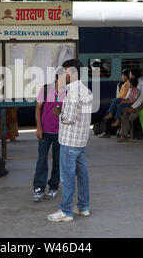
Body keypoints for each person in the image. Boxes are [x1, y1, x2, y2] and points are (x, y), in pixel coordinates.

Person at [47, 59, 93, 222]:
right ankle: (83, 206)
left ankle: (66, 212)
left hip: (69, 141)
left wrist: (59, 112)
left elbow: (69, 118)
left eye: (65, 71)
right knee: (82, 175)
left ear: (73, 73)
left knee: (67, 177)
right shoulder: (86, 90)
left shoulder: (73, 91)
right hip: (81, 141)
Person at [33, 75, 66, 202]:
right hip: (44, 132)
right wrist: (38, 128)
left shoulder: (68, 91)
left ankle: (53, 186)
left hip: (60, 133)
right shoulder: (46, 89)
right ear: (57, 79)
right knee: (42, 159)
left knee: (58, 160)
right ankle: (39, 188)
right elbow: (38, 109)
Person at [117, 68, 143, 142]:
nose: (129, 76)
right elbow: (128, 95)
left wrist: (132, 107)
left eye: (130, 74)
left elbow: (141, 99)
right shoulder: (132, 82)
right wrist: (126, 101)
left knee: (130, 115)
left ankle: (128, 133)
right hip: (134, 103)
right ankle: (124, 135)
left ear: (133, 75)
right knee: (125, 113)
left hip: (142, 103)